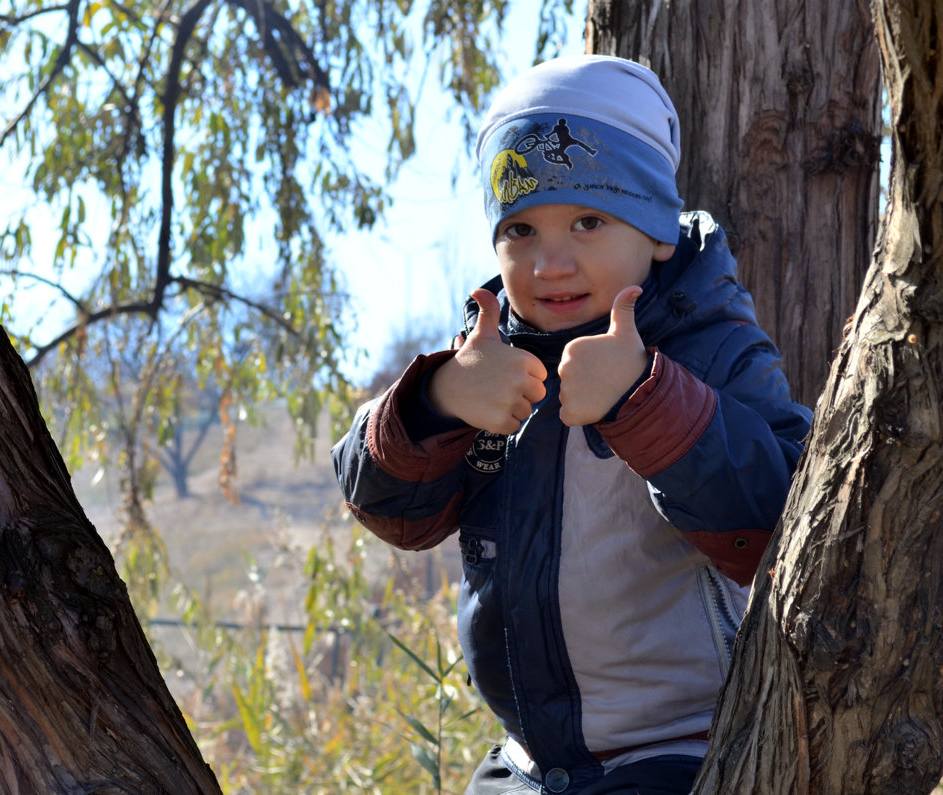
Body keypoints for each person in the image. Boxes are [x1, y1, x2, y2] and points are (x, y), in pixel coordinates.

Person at [331, 54, 813, 794]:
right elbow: (391, 508)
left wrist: (644, 400)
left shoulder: (707, 342)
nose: (551, 262)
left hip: (680, 751)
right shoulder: (488, 357)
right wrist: (438, 399)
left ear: (655, 230)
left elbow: (778, 520)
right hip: (526, 759)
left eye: (588, 221)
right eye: (520, 229)